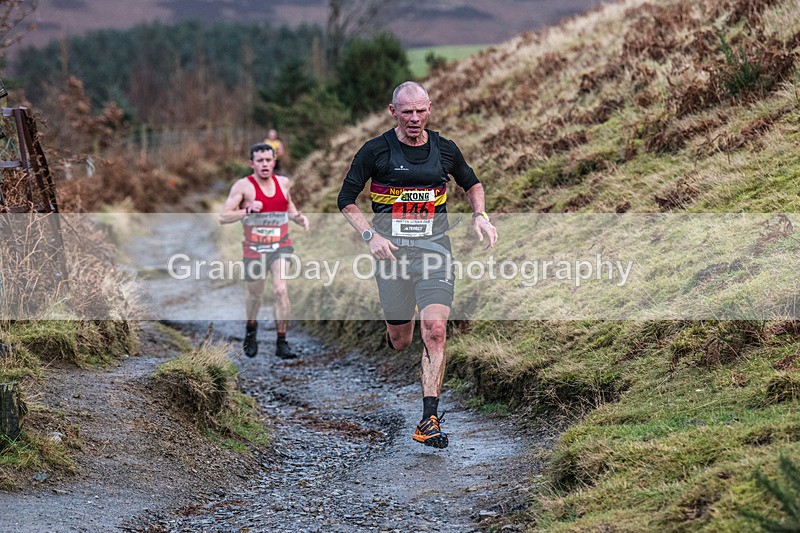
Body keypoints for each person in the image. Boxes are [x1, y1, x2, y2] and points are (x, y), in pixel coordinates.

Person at [337, 81, 498, 449]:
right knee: (400, 339)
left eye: (420, 110)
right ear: (392, 111)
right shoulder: (375, 151)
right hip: (391, 256)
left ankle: (429, 419)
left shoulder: (444, 149)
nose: (414, 118)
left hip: (434, 251)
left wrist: (480, 215)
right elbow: (346, 199)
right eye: (406, 111)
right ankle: (398, 325)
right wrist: (370, 236)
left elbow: (472, 183)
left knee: (435, 328)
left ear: (429, 110)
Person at [220, 143, 309, 359]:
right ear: (252, 163)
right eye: (260, 161)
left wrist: (299, 218)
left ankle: (282, 341)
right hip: (254, 249)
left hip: (281, 246)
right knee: (255, 295)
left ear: (274, 160)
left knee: (280, 289)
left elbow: (289, 208)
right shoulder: (243, 186)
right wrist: (246, 210)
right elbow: (223, 217)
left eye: (268, 160)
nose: (265, 164)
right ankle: (251, 330)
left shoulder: (284, 183)